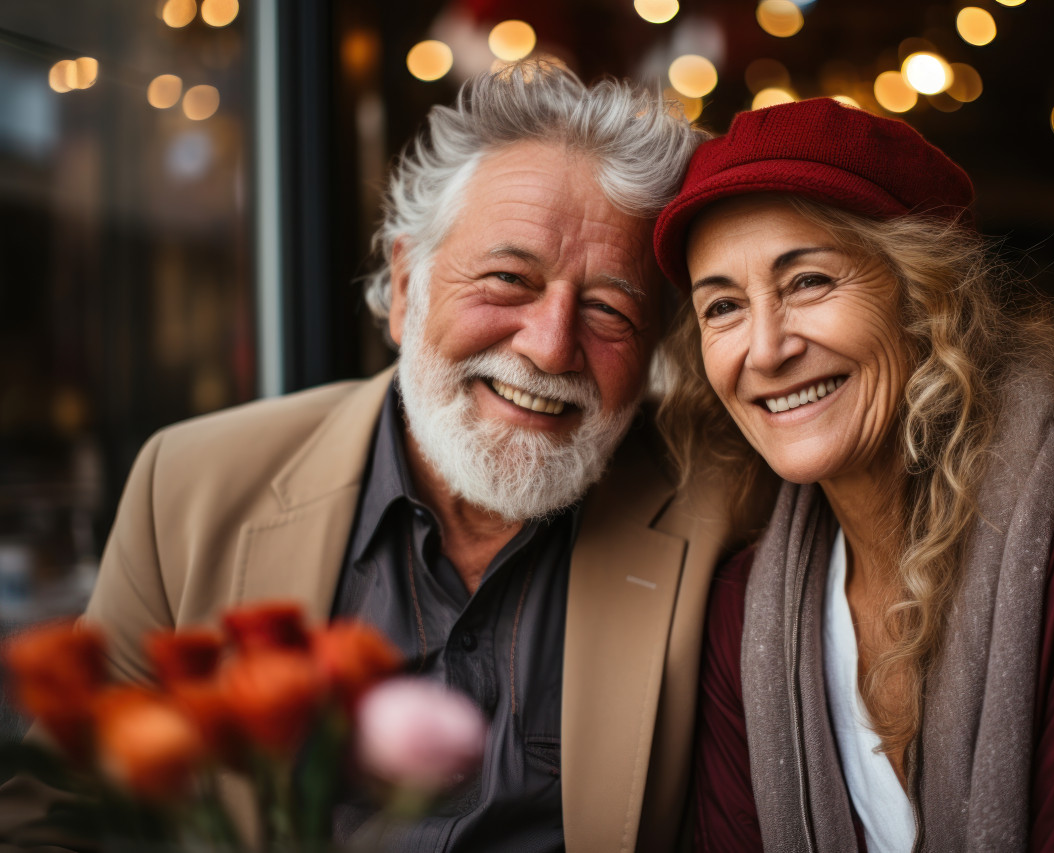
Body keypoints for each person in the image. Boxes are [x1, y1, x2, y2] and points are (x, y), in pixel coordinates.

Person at [3, 64, 727, 852]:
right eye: (508, 279)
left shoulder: (721, 509)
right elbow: (56, 814)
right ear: (408, 283)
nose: (551, 346)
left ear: (656, 345)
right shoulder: (190, 486)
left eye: (609, 309)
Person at [651, 98, 1054, 851]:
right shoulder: (744, 613)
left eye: (809, 281)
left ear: (926, 296)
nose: (765, 347)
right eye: (722, 305)